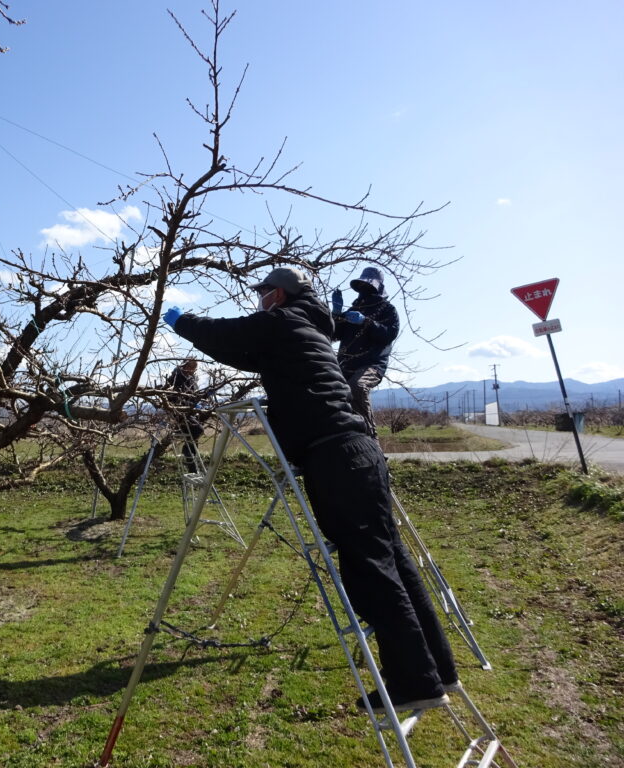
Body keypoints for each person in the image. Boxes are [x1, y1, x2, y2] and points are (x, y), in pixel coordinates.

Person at [161, 266, 457, 713]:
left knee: (370, 569)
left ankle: (414, 682)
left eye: (263, 294)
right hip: (359, 451)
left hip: (334, 456)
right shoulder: (310, 328)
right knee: (392, 557)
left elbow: (227, 334)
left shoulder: (283, 321)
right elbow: (245, 353)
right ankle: (438, 671)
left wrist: (182, 322)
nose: (259, 301)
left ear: (277, 295)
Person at [331, 266, 399, 439]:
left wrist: (366, 322)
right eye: (362, 285)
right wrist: (336, 314)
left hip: (372, 364)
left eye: (368, 286)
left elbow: (388, 335)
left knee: (357, 387)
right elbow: (334, 334)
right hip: (347, 364)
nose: (364, 289)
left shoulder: (387, 310)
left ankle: (371, 436)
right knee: (334, 396)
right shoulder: (353, 310)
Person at [164, 358, 204, 473]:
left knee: (194, 437)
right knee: (197, 430)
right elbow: (170, 396)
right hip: (178, 413)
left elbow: (193, 396)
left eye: (194, 368)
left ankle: (191, 466)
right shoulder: (175, 378)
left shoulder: (191, 379)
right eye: (190, 367)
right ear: (184, 366)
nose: (192, 370)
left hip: (188, 412)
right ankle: (187, 454)